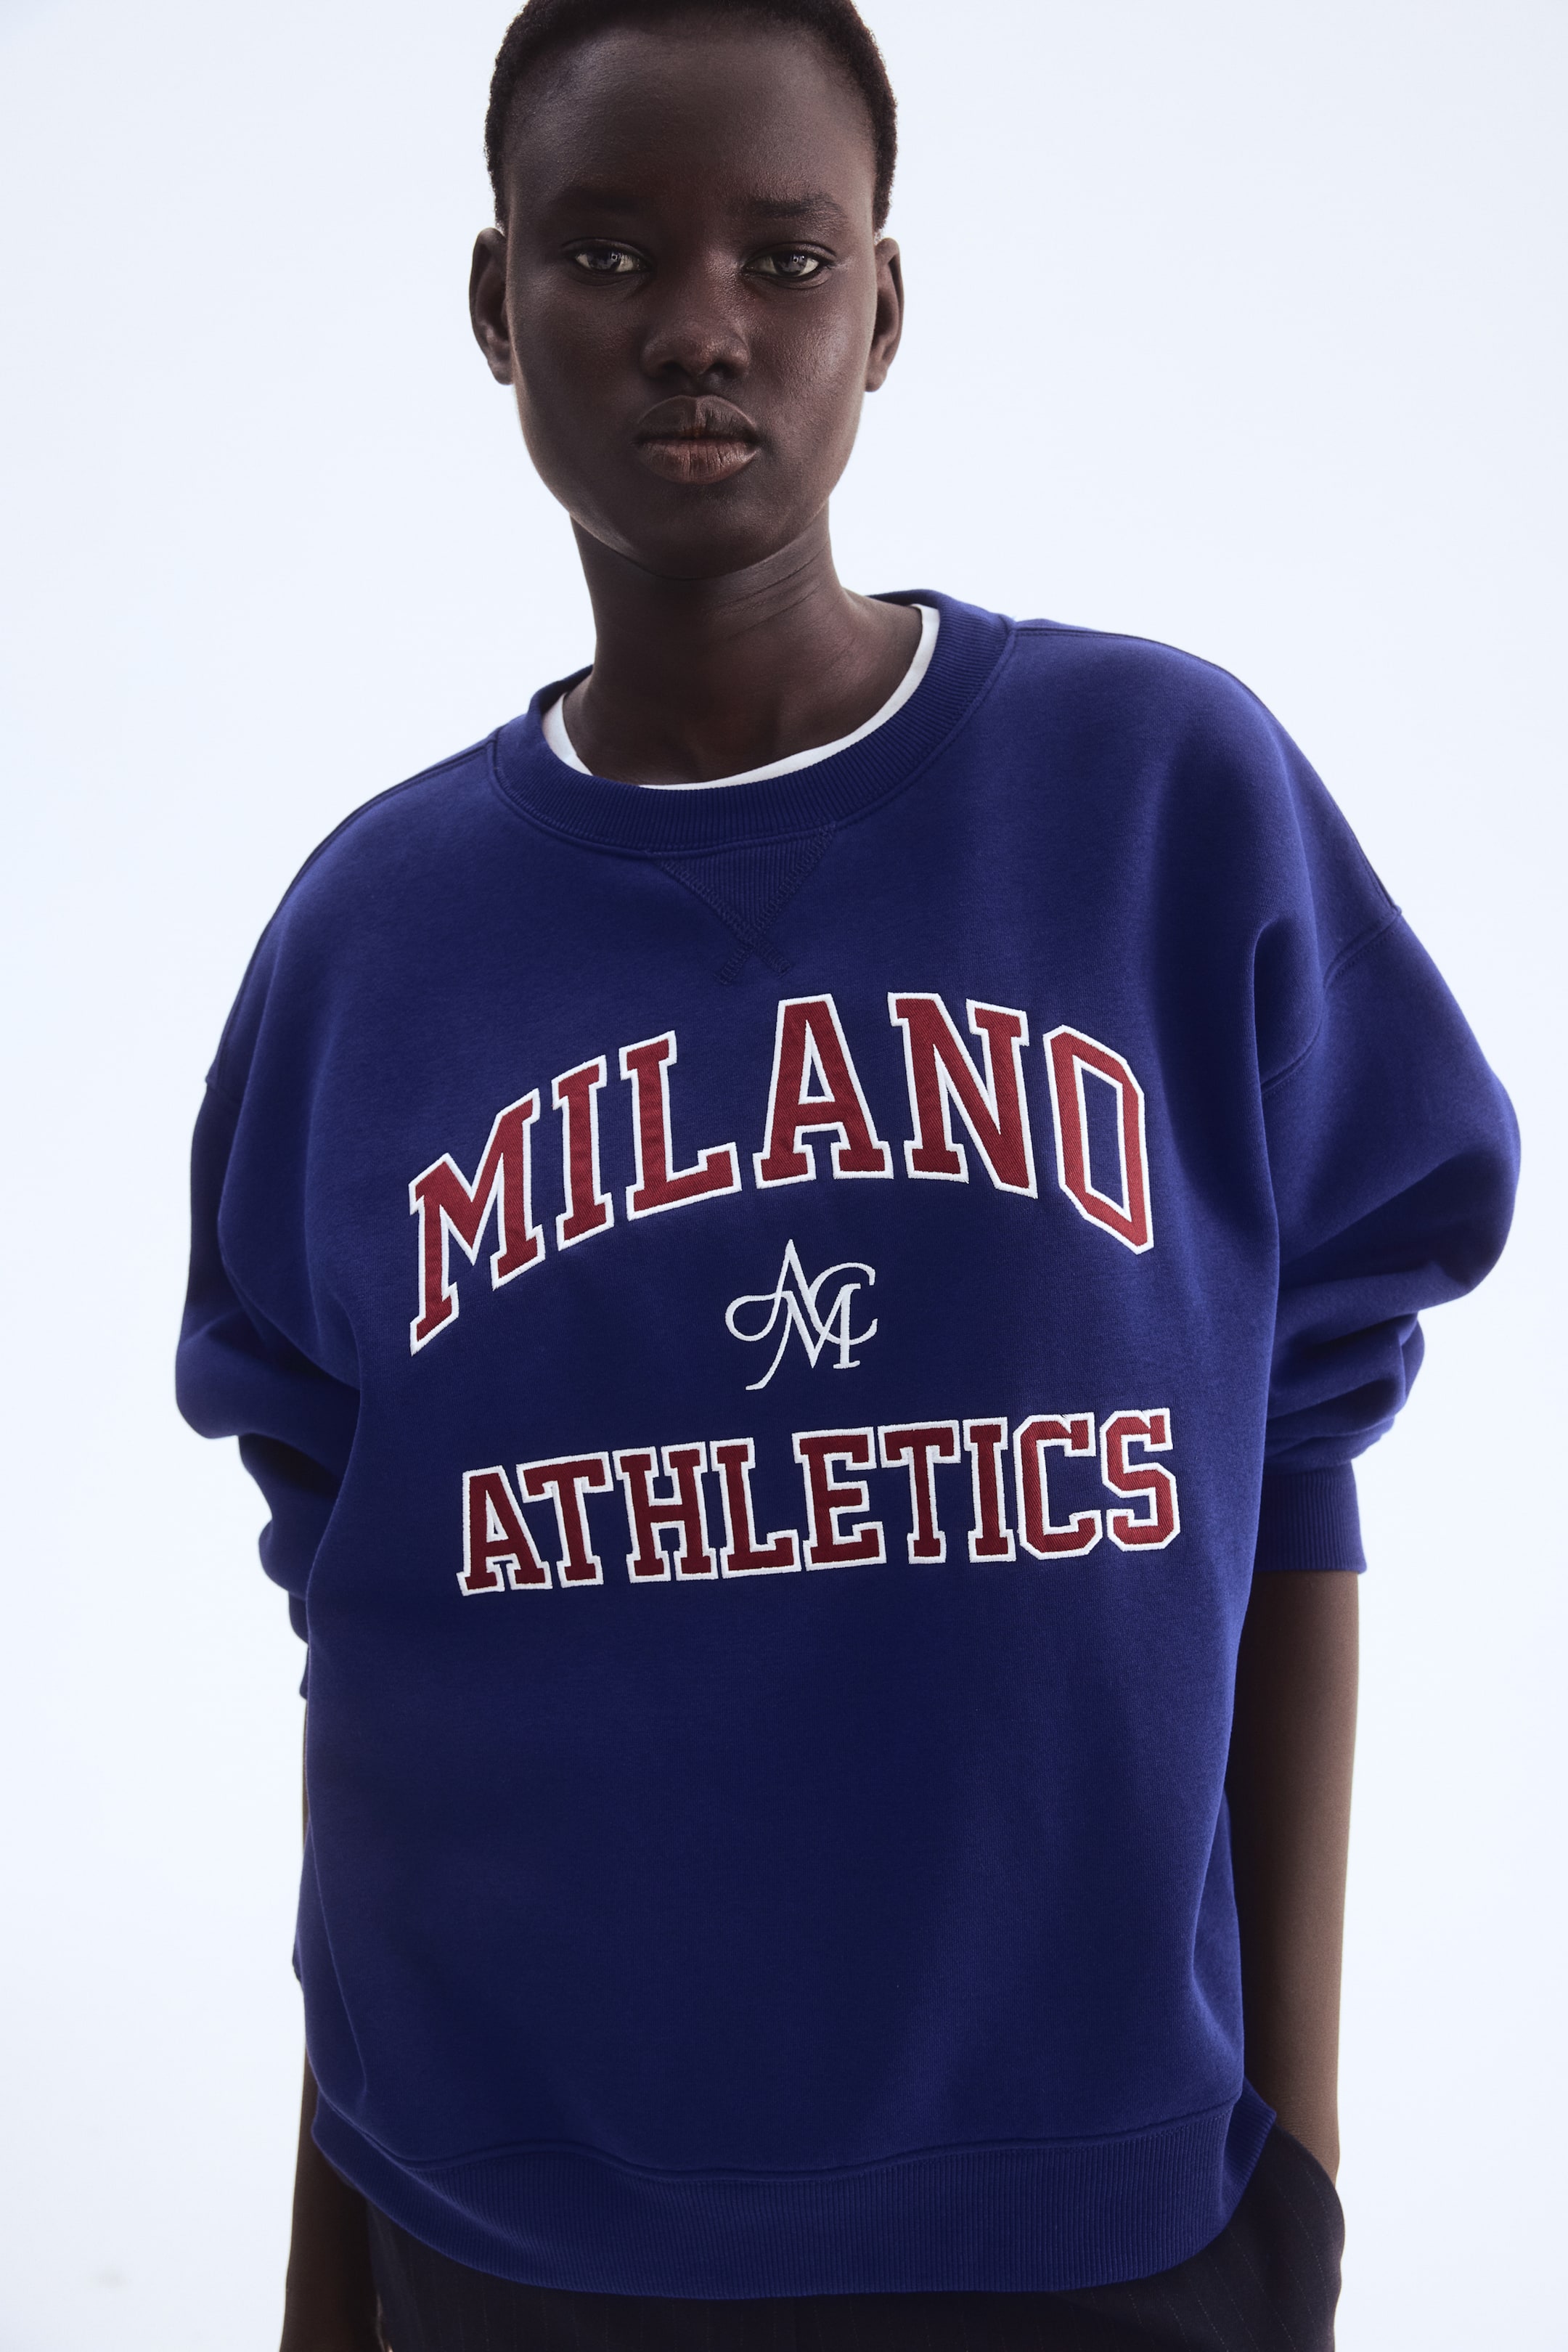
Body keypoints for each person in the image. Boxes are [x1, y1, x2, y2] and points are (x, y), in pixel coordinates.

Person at [175, 2, 1519, 2345]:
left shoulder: (1159, 801)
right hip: (509, 2238)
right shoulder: (374, 940)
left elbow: (1298, 1437)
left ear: (882, 307)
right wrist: (333, 2281)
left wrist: (1290, 2157)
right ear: (497, 299)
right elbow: (368, 1657)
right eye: (609, 250)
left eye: (783, 258)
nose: (700, 325)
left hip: (1101, 2226)